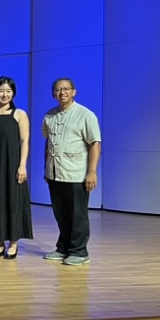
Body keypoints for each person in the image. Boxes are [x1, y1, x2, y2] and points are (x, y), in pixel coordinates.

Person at [42, 78, 101, 266]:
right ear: (53, 94)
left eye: (66, 89)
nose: (62, 93)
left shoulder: (86, 115)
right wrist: (46, 168)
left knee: (78, 215)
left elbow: (95, 143)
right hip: (55, 173)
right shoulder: (49, 115)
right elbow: (48, 142)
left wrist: (92, 172)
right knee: (61, 214)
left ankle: (79, 251)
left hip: (76, 174)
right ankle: (63, 248)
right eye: (58, 90)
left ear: (74, 92)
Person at [0, 76, 33, 259]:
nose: (4, 94)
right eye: (1, 91)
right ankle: (0, 242)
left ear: (13, 93)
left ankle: (13, 242)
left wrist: (22, 166)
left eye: (8, 91)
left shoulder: (19, 114)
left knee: (13, 201)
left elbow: (25, 141)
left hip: (12, 164)